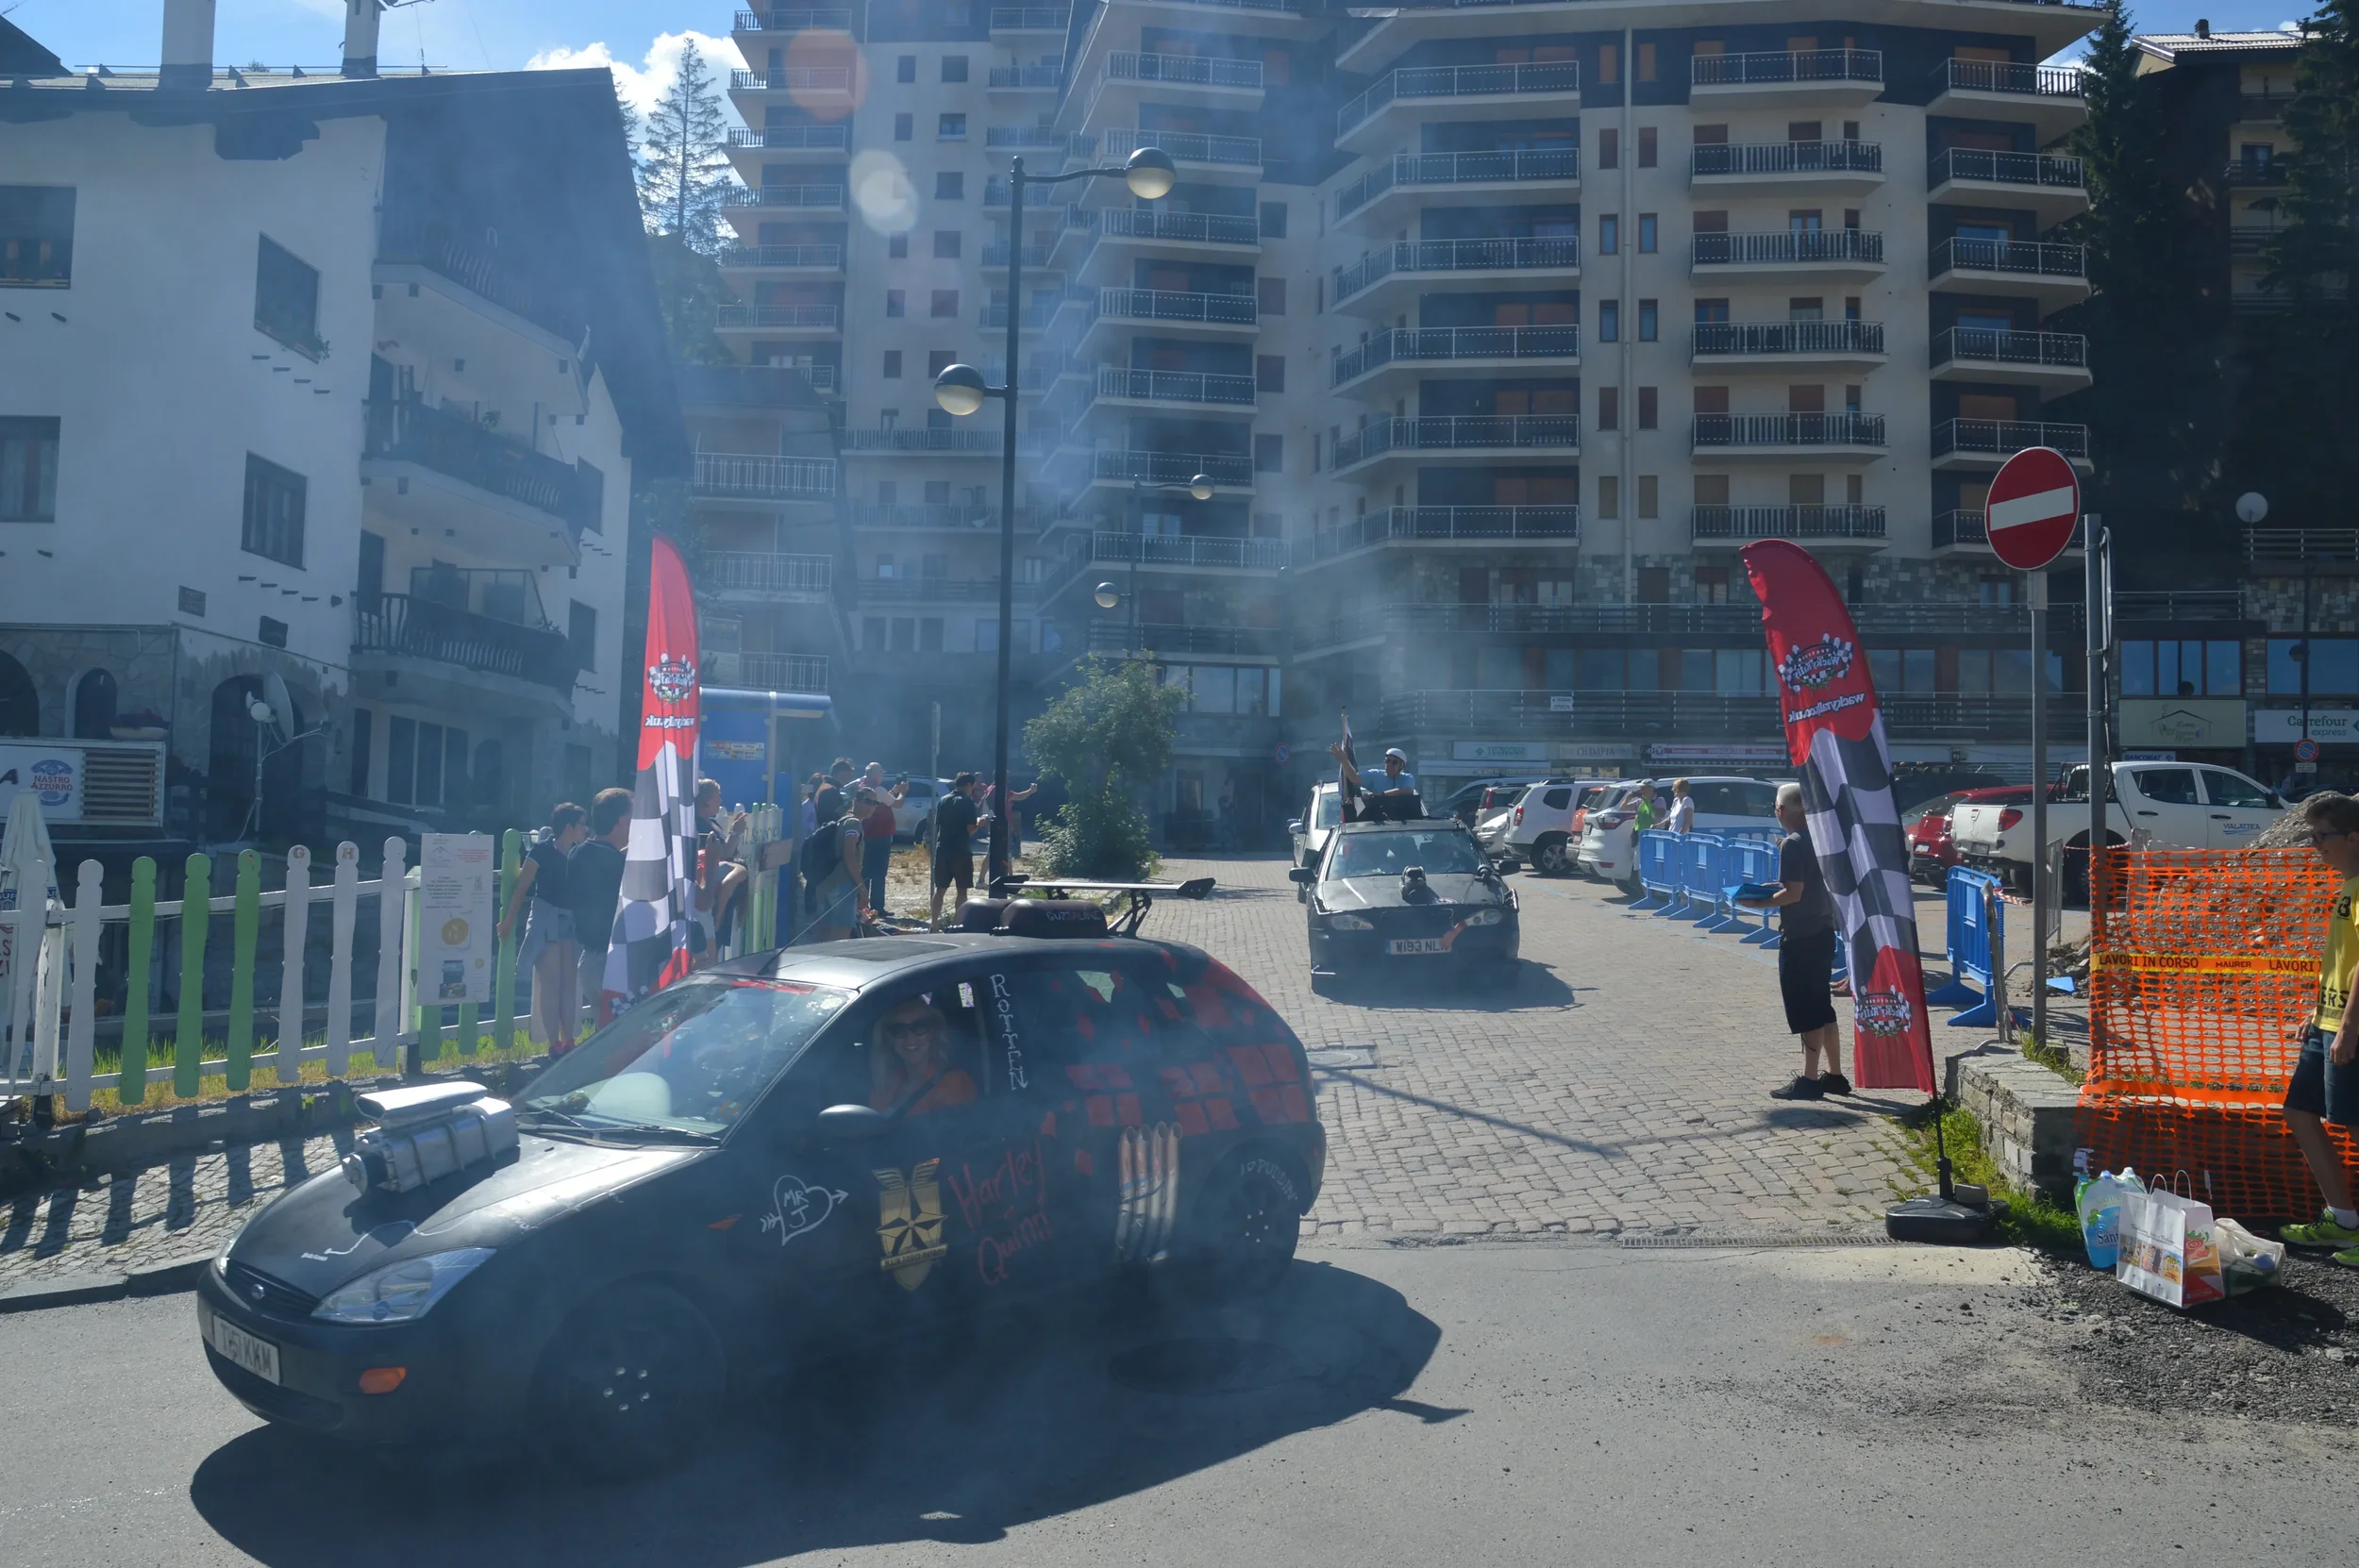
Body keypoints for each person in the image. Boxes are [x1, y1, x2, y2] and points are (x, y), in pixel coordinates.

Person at [2281, 793, 2359, 1264]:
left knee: (2354, 1123)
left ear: (2354, 838)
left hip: (2348, 1027)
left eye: (2322, 836)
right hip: (2328, 1022)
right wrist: (2318, 1012)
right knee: (2299, 1111)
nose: (2315, 845)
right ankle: (2344, 1220)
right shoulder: (2348, 886)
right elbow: (2343, 962)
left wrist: (2349, 1026)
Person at [1740, 782, 1850, 1100]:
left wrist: (1759, 903)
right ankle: (1835, 1075)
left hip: (1800, 935)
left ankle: (1809, 1079)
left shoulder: (1792, 843)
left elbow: (1794, 893)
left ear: (1781, 810)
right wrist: (1779, 888)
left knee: (1807, 1010)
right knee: (1823, 1006)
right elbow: (1806, 885)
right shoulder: (1822, 839)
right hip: (1823, 931)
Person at [500, 802, 587, 1054]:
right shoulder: (541, 851)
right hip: (546, 918)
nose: (586, 829)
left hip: (571, 921)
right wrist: (508, 921)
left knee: (570, 982)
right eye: (582, 824)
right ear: (569, 827)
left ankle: (569, 1039)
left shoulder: (580, 853)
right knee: (551, 983)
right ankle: (554, 1042)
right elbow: (522, 889)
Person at [568, 787, 632, 1035]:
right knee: (624, 1036)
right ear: (622, 820)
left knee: (605, 1036)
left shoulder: (577, 853)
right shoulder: (617, 864)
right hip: (613, 963)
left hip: (589, 960)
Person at [869, 996, 979, 1117]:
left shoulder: (953, 1083)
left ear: (932, 1033)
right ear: (889, 1038)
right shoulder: (885, 1084)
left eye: (919, 1027)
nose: (910, 1039)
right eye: (898, 1030)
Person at [802, 787, 880, 943]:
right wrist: (862, 888)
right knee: (841, 937)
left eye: (875, 803)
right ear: (856, 800)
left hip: (826, 884)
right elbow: (849, 854)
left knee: (824, 935)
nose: (871, 807)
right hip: (842, 885)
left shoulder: (842, 820)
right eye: (868, 801)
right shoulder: (853, 823)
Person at [694, 778, 749, 959]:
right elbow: (718, 857)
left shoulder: (711, 822)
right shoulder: (699, 826)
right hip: (711, 892)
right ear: (707, 799)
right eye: (717, 796)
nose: (720, 800)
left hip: (719, 890)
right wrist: (735, 833)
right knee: (711, 950)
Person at [930, 772, 982, 926]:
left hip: (942, 849)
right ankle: (958, 924)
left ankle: (934, 924)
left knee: (940, 890)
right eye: (973, 787)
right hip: (960, 850)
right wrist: (980, 823)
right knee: (962, 890)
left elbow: (937, 825)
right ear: (968, 785)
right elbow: (970, 828)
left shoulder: (943, 800)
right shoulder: (967, 802)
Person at [858, 762, 908, 917]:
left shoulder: (863, 786)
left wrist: (893, 791)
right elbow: (898, 804)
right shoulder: (877, 789)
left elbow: (883, 799)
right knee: (879, 872)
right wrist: (903, 793)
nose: (883, 774)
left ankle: (862, 906)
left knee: (865, 871)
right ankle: (877, 907)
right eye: (881, 772)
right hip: (879, 834)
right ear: (874, 773)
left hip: (866, 834)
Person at [1332, 743, 1419, 820]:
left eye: (1394, 762)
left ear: (1401, 766)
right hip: (1380, 822)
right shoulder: (1376, 775)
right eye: (1387, 761)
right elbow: (1354, 778)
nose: (1389, 764)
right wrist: (1344, 760)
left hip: (1405, 822)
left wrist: (1379, 795)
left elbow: (1407, 791)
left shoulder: (1407, 778)